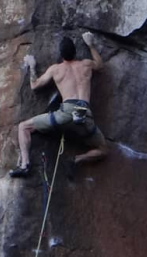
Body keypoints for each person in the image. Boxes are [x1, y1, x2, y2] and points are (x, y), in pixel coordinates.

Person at [9, 32, 108, 178]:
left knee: (23, 127)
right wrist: (90, 44)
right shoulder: (86, 64)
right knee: (103, 149)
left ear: (61, 55)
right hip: (85, 114)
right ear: (75, 52)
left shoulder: (56, 69)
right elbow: (100, 65)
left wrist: (32, 66)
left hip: (65, 113)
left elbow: (35, 85)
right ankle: (76, 159)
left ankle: (25, 165)